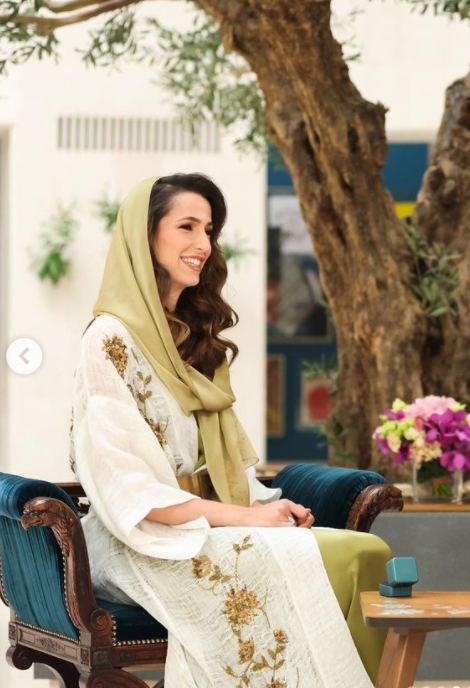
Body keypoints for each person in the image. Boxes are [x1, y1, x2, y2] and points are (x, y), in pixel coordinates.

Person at [69, 174, 391, 687]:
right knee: (360, 555)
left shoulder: (192, 339)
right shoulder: (110, 341)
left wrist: (266, 506)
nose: (202, 243)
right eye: (187, 226)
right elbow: (128, 491)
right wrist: (247, 517)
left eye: (209, 230)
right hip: (142, 541)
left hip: (209, 523)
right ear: (144, 235)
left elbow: (216, 466)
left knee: (365, 556)